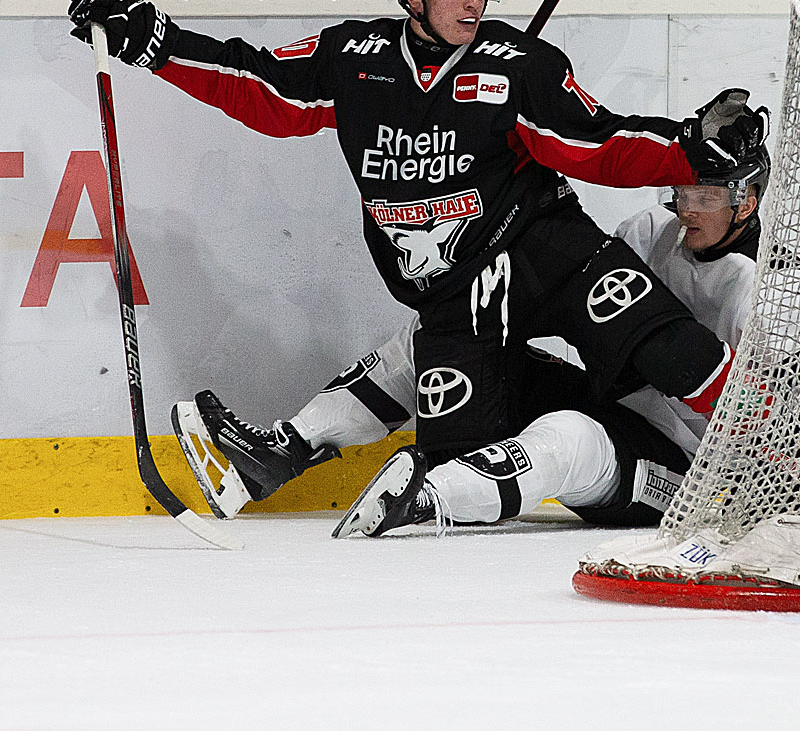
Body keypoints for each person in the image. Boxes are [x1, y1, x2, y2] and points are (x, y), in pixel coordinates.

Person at [67, 0, 763, 474]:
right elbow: (258, 85)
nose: (473, 0)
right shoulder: (354, 56)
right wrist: (154, 42)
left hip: (548, 252)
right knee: (460, 454)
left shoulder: (516, 64)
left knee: (673, 349)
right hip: (455, 292)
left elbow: (592, 141)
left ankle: (786, 465)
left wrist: (686, 147)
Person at [173, 139, 769, 533]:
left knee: (568, 439)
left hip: (678, 472)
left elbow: (784, 422)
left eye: (708, 197)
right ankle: (280, 451)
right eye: (684, 191)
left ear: (747, 200)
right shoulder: (648, 230)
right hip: (613, 400)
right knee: (442, 334)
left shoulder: (767, 287)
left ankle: (427, 499)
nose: (688, 208)